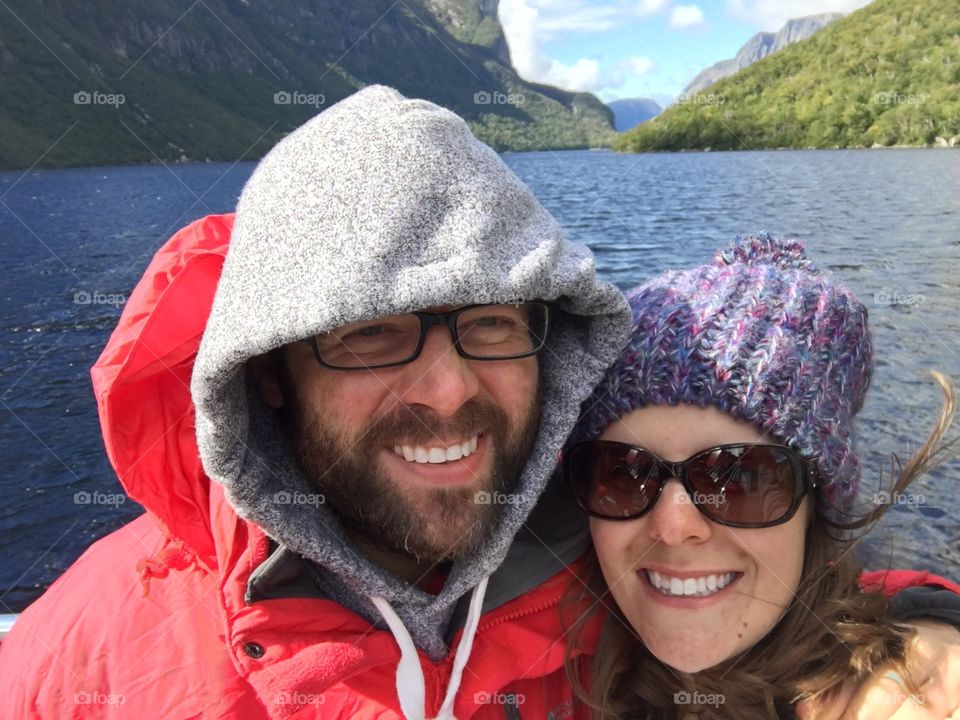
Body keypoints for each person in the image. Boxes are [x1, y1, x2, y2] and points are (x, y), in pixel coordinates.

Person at [1, 87, 958, 719]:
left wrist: (904, 641)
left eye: (492, 323)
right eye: (369, 329)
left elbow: (772, 590)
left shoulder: (598, 559)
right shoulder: (96, 655)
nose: (450, 387)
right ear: (270, 373)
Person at [562, 235, 960, 719]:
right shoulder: (542, 658)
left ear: (817, 505)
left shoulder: (908, 694)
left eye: (738, 479)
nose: (673, 526)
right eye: (624, 474)